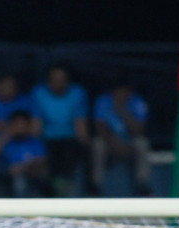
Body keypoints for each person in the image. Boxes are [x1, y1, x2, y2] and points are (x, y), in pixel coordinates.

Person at [31, 65, 89, 196]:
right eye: (54, 79)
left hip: (70, 139)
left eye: (61, 79)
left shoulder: (77, 93)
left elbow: (80, 124)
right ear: (48, 81)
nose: (58, 83)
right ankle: (49, 194)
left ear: (67, 81)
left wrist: (85, 145)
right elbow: (36, 124)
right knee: (43, 159)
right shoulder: (39, 93)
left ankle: (73, 192)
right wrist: (34, 146)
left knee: (74, 156)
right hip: (47, 139)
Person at [91, 83, 149, 196]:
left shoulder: (137, 102)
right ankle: (96, 186)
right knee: (98, 144)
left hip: (130, 143)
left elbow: (139, 131)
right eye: (119, 93)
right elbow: (100, 129)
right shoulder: (104, 101)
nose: (122, 96)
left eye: (125, 93)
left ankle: (143, 185)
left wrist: (123, 111)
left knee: (142, 144)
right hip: (110, 142)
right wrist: (116, 144)